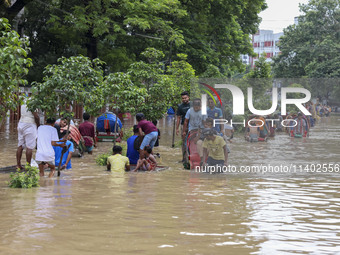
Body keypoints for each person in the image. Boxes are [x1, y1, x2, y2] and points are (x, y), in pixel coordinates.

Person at [16, 102, 40, 169]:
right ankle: (28, 165)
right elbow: (36, 116)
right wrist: (38, 126)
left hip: (21, 123)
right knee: (29, 147)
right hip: (30, 124)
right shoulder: (34, 102)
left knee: (20, 145)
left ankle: (18, 164)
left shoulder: (24, 101)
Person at [176, 91, 190, 162]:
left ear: (188, 97)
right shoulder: (180, 106)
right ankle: (184, 158)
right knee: (184, 142)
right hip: (183, 126)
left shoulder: (193, 105)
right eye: (182, 98)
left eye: (185, 98)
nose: (184, 99)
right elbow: (178, 118)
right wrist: (177, 128)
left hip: (193, 125)